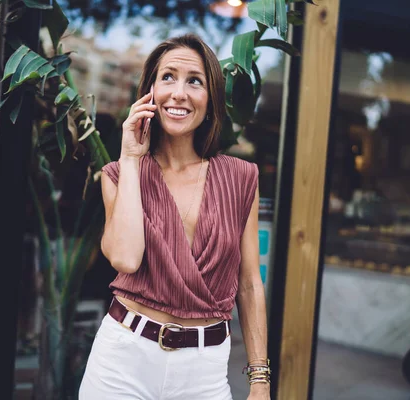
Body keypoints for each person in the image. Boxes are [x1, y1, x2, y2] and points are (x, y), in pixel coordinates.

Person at [79, 34, 270, 400]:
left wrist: (260, 377)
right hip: (123, 359)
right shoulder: (118, 175)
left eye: (194, 81)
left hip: (204, 370)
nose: (179, 93)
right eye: (168, 77)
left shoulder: (241, 178)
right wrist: (132, 157)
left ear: (211, 101)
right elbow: (125, 257)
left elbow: (248, 282)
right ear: (149, 92)